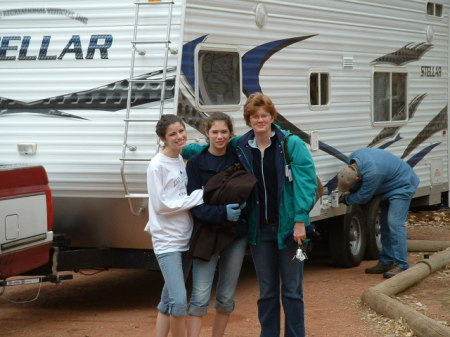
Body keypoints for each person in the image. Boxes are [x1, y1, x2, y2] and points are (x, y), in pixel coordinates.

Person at [231, 93, 317, 337]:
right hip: (260, 231)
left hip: (290, 230)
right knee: (267, 291)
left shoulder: (290, 144)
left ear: (272, 117)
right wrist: (183, 149)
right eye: (255, 116)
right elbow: (215, 146)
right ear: (248, 119)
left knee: (292, 290)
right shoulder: (241, 146)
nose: (260, 120)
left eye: (264, 115)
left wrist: (300, 221)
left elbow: (307, 184)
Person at [185, 112, 250, 337]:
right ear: (206, 133)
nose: (220, 136)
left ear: (230, 133)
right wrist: (221, 212)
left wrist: (243, 210)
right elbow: (194, 205)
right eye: (215, 132)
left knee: (226, 296)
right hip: (207, 232)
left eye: (224, 132)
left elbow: (250, 192)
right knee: (200, 295)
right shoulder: (195, 164)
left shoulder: (239, 159)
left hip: (235, 234)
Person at [145, 114, 204, 337]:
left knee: (168, 299)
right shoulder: (156, 166)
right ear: (163, 138)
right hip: (166, 241)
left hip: (186, 237)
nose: (179, 136)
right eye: (173, 134)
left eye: (181, 131)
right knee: (179, 303)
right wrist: (199, 197)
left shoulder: (180, 159)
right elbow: (161, 205)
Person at [337, 147, 419, 278]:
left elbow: (364, 197)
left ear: (357, 177)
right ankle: (386, 261)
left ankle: (401, 265)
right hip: (387, 184)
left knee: (394, 223)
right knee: (384, 224)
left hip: (402, 185)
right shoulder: (353, 157)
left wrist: (346, 199)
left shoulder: (373, 173)